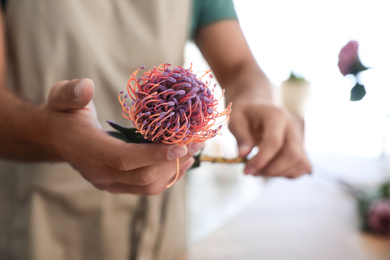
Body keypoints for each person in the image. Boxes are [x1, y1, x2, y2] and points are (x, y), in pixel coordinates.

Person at [0, 0, 312, 260]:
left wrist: (256, 100)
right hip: (41, 224)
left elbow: (240, 67)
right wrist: (53, 135)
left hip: (164, 228)